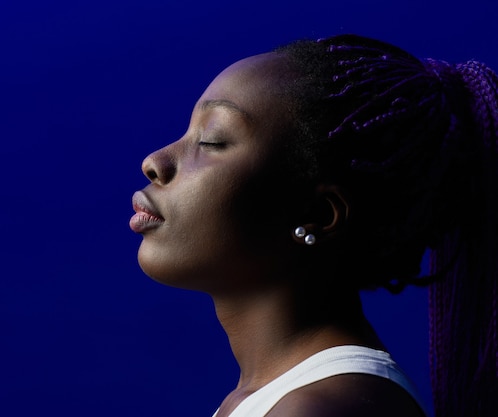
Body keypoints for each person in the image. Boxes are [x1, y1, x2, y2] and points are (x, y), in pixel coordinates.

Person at [129, 34, 498, 417]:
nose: (155, 161)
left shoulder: (322, 408)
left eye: (212, 140)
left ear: (319, 215)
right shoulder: (285, 397)